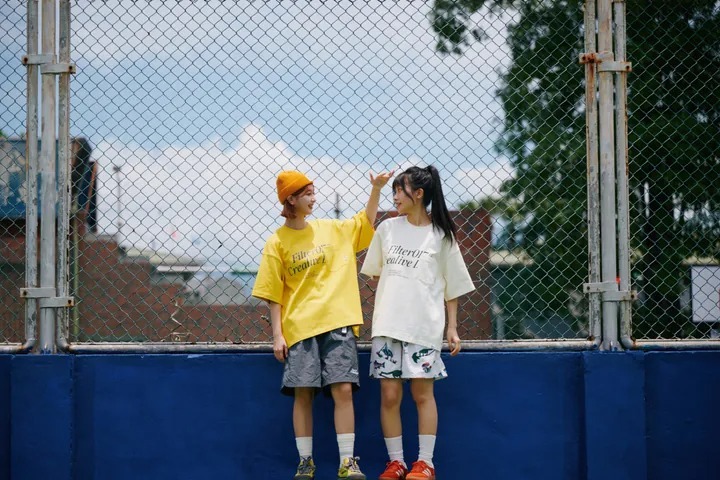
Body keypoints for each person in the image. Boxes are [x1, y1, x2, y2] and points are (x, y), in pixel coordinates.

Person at [252, 169, 393, 480]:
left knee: (343, 389)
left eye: (313, 192)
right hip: (300, 328)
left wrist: (376, 189)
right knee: (303, 392)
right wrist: (277, 335)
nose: (314, 199)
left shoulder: (332, 229)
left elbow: (365, 223)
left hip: (339, 322)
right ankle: (305, 461)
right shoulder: (276, 242)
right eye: (307, 194)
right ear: (291, 199)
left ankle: (347, 461)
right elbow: (272, 293)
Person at [360, 166, 475, 480]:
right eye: (394, 191)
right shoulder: (387, 229)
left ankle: (425, 463)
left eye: (400, 190)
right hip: (387, 325)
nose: (395, 197)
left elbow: (452, 287)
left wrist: (452, 328)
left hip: (424, 327)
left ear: (419, 193)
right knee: (389, 396)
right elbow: (376, 273)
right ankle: (396, 463)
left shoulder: (441, 236)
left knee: (422, 395)